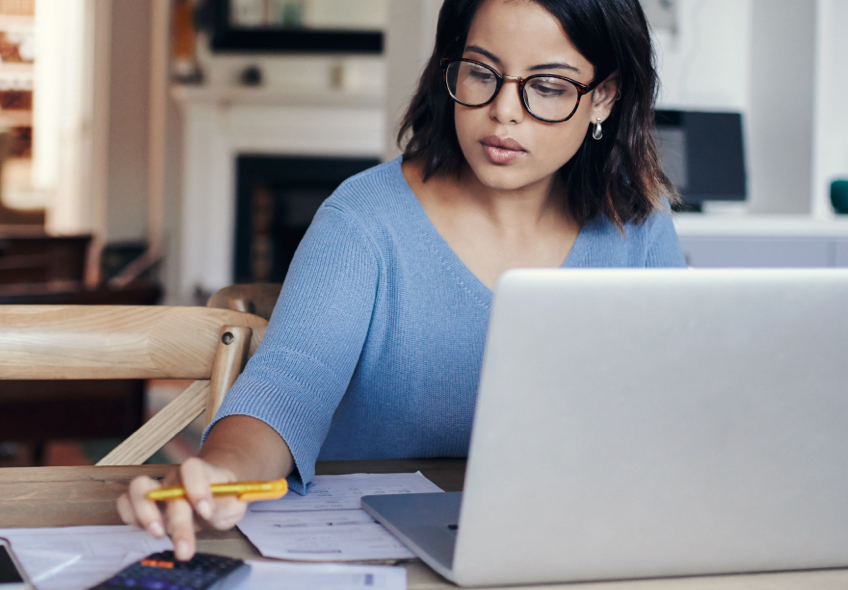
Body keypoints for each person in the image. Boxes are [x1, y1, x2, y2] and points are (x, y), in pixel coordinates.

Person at [119, 0, 685, 560]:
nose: (504, 112)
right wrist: (220, 474)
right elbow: (288, 386)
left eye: (550, 86)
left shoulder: (638, 227)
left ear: (603, 97)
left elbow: (677, 409)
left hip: (569, 548)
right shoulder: (363, 219)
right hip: (373, 557)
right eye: (481, 73)